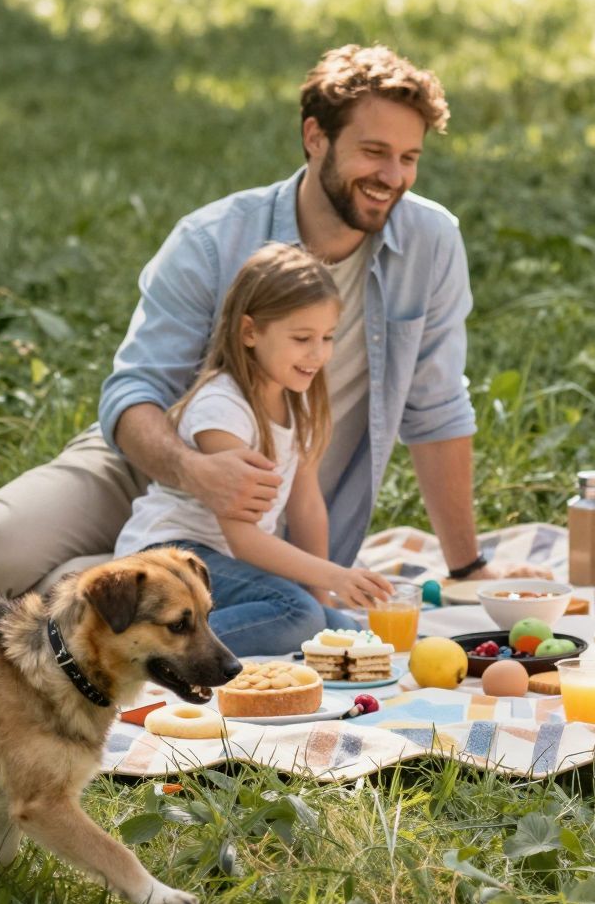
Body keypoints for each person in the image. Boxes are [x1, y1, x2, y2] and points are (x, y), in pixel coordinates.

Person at [0, 44, 488, 602]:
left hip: (265, 516)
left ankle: (77, 587)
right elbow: (134, 393)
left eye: (409, 158)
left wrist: (468, 566)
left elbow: (436, 414)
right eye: (373, 152)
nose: (392, 177)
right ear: (315, 138)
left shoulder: (430, 242)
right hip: (145, 463)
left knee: (155, 603)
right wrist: (192, 471)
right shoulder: (214, 240)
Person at [114, 242, 391, 655]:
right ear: (250, 332)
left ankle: (192, 645)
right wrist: (334, 577)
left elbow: (307, 506)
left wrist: (320, 593)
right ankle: (144, 652)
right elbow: (243, 539)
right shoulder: (222, 409)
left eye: (328, 337)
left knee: (350, 636)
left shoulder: (298, 401)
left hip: (224, 568)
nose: (318, 354)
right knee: (296, 616)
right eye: (302, 338)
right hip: (169, 558)